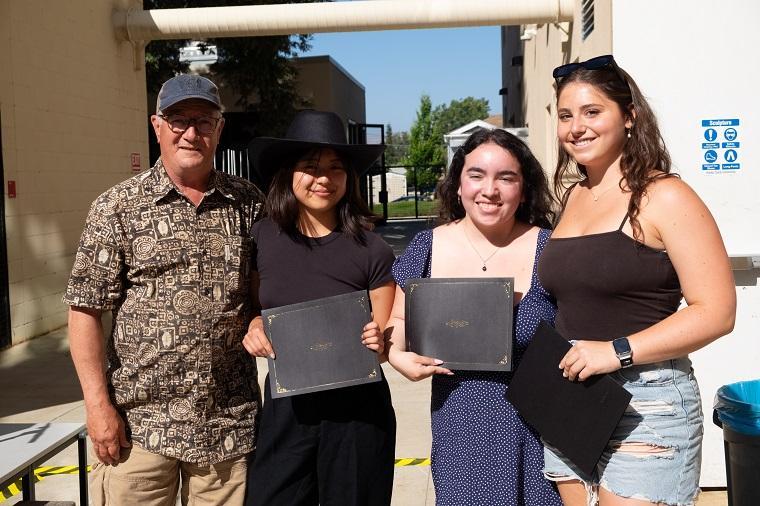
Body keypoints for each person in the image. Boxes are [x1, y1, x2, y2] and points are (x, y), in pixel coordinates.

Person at [537, 55, 736, 505]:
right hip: (572, 399)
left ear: (629, 116)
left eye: (593, 112)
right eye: (566, 116)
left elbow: (718, 312)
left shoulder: (664, 196)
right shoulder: (572, 197)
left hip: (649, 403)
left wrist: (616, 351)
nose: (576, 127)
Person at [64, 74, 265, 505]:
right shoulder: (116, 207)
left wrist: (262, 318)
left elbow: (264, 293)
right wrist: (98, 408)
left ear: (220, 128)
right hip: (139, 428)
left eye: (204, 120)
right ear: (157, 126)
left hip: (225, 428)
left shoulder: (249, 203)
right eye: (178, 120)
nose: (191, 132)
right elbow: (84, 312)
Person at [386, 127, 562, 505]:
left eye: (506, 177)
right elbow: (399, 322)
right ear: (458, 184)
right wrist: (397, 356)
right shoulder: (427, 247)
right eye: (476, 175)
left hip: (540, 428)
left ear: (524, 188)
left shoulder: (551, 249)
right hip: (460, 425)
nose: (490, 189)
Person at [242, 110, 397, 506]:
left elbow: (384, 340)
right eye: (310, 167)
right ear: (288, 173)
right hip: (286, 405)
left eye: (335, 168)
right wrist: (255, 324)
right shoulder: (262, 238)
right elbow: (256, 307)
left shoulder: (371, 249)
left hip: (358, 413)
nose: (323, 178)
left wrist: (378, 340)